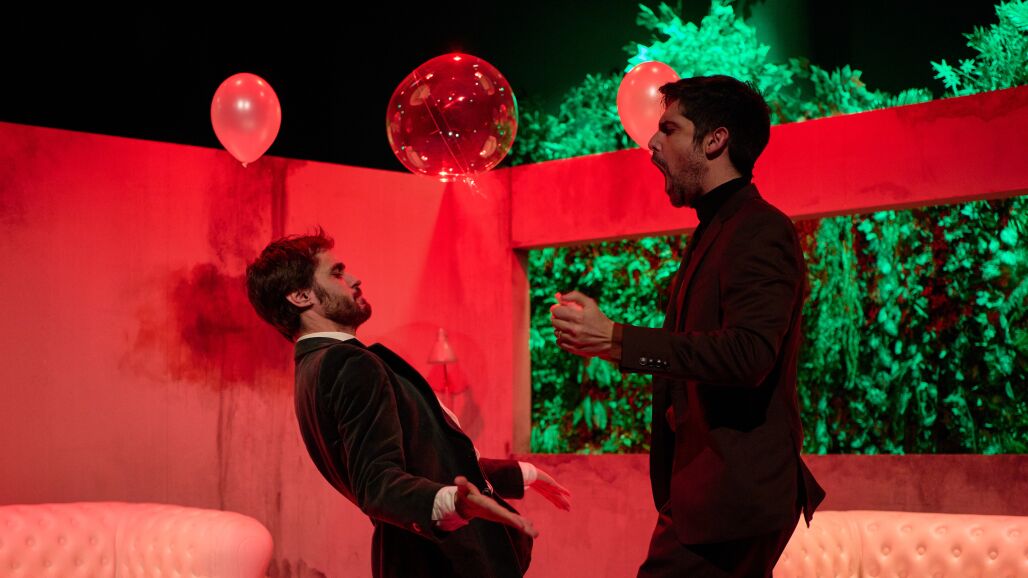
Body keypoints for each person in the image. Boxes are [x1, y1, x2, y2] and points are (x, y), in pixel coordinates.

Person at [550, 75, 824, 578]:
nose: (652, 143)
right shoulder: (716, 231)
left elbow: (748, 355)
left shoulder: (759, 229)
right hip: (712, 500)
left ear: (715, 140)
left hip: (732, 501)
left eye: (670, 129)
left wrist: (617, 340)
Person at [246, 230, 570, 578]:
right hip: (439, 564)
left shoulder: (314, 367)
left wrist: (521, 473)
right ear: (300, 296)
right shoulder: (347, 362)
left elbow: (427, 458)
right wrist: (453, 504)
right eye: (336, 273)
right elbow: (377, 484)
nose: (353, 279)